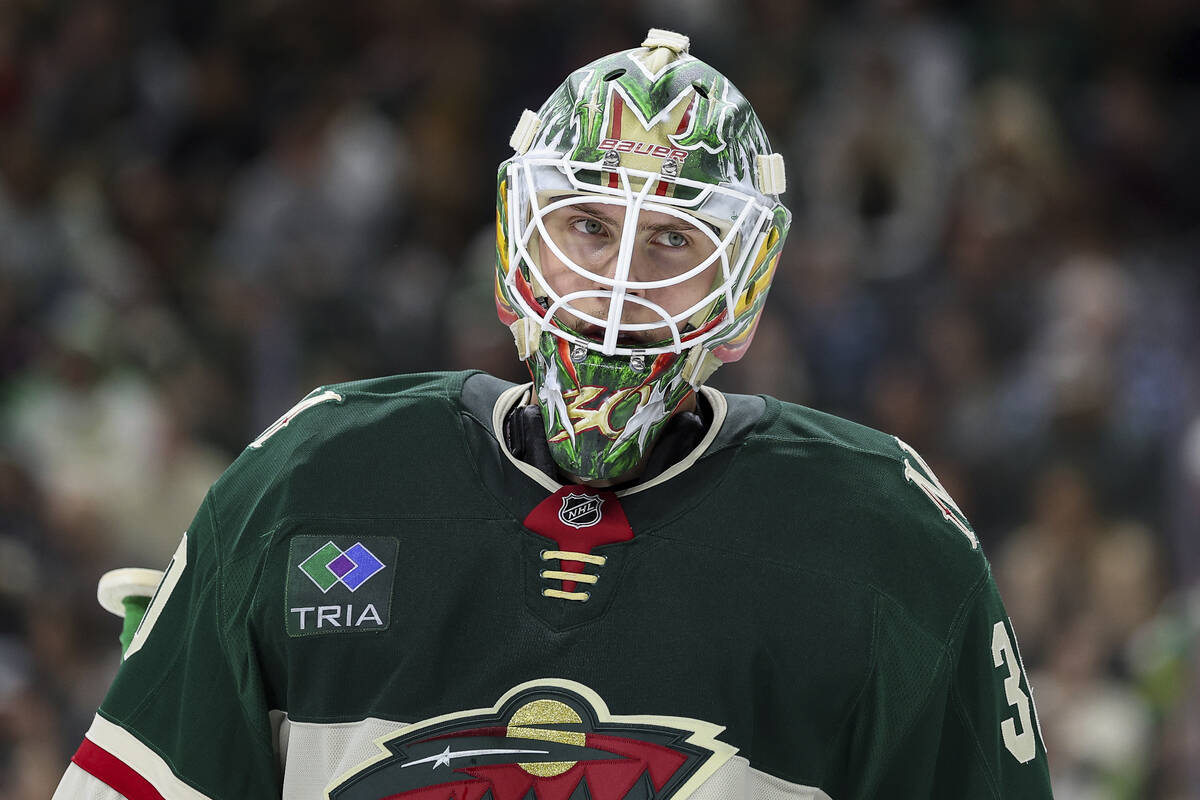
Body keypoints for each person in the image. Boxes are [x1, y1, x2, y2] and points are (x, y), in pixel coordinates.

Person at [55, 30, 1054, 800]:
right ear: (518, 238)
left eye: (671, 240)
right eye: (587, 223)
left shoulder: (886, 536)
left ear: (742, 288)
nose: (617, 286)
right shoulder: (310, 475)